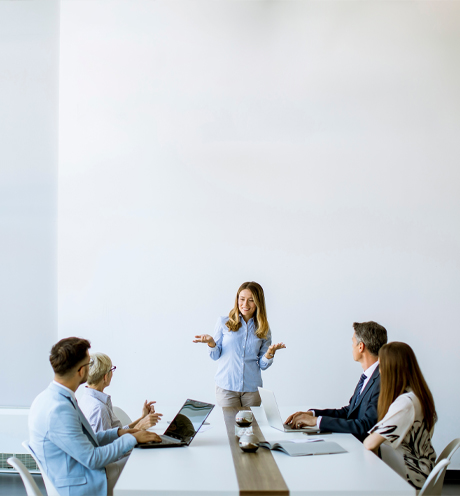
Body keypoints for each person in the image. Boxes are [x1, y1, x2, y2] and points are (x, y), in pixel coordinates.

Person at [28, 337, 161, 496]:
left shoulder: (52, 397)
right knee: (146, 467)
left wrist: (119, 433)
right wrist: (133, 439)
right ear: (81, 370)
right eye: (89, 363)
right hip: (82, 484)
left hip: (76, 474)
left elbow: (86, 439)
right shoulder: (59, 410)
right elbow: (92, 458)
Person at [285, 321, 387, 442]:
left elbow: (365, 426)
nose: (352, 346)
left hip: (362, 450)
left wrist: (316, 421)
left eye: (353, 342)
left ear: (361, 346)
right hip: (349, 442)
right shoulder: (368, 376)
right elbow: (349, 412)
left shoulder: (381, 381)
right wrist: (313, 415)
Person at [193, 281, 286, 407]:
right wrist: (211, 343)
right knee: (231, 427)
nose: (245, 304)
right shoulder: (223, 322)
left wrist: (269, 354)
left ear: (258, 302)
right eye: (242, 299)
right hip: (226, 388)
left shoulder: (263, 327)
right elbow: (215, 356)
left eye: (251, 300)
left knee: (250, 427)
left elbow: (263, 365)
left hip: (252, 390)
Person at [363, 342, 437, 490]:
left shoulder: (406, 403)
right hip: (421, 472)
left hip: (409, 480)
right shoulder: (416, 395)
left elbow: (369, 443)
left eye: (381, 365)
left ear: (391, 369)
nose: (379, 371)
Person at [79, 352, 162, 433]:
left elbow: (117, 433)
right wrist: (140, 427)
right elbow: (110, 444)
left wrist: (143, 418)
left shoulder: (86, 399)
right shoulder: (99, 409)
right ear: (105, 377)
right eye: (111, 369)